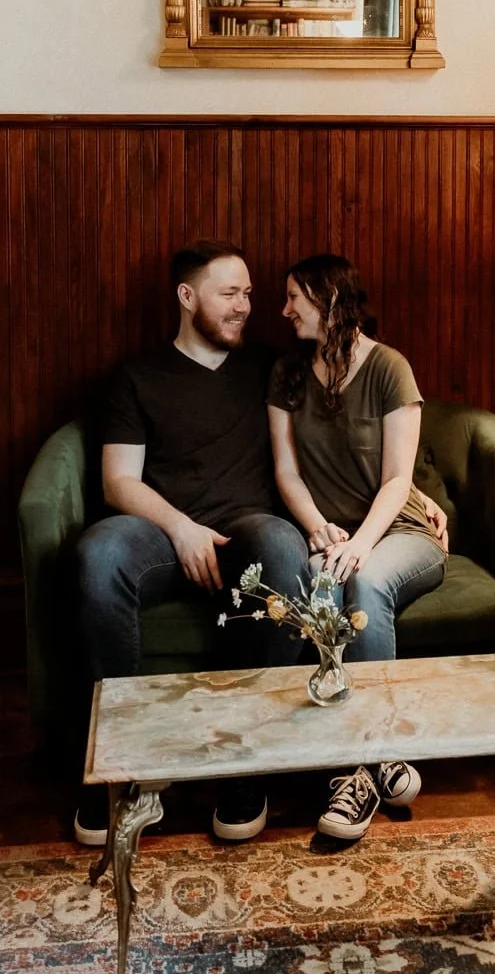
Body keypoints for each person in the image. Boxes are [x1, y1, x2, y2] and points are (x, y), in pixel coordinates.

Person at [76, 240, 310, 847]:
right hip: (159, 534)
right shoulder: (137, 376)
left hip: (246, 534)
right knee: (98, 552)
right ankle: (121, 765)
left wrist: (410, 493)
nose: (245, 306)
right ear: (187, 297)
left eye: (250, 294)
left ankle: (243, 763)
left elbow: (355, 406)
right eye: (229, 294)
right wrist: (179, 527)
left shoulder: (270, 367)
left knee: (284, 549)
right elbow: (118, 481)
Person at [268, 253, 448, 842]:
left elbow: (398, 479)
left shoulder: (390, 368)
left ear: (329, 301)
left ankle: (370, 756)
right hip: (335, 532)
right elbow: (287, 473)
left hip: (398, 531)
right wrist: (319, 529)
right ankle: (368, 767)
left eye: (295, 297)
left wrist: (361, 547)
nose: (285, 309)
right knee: (320, 586)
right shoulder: (287, 373)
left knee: (364, 583)